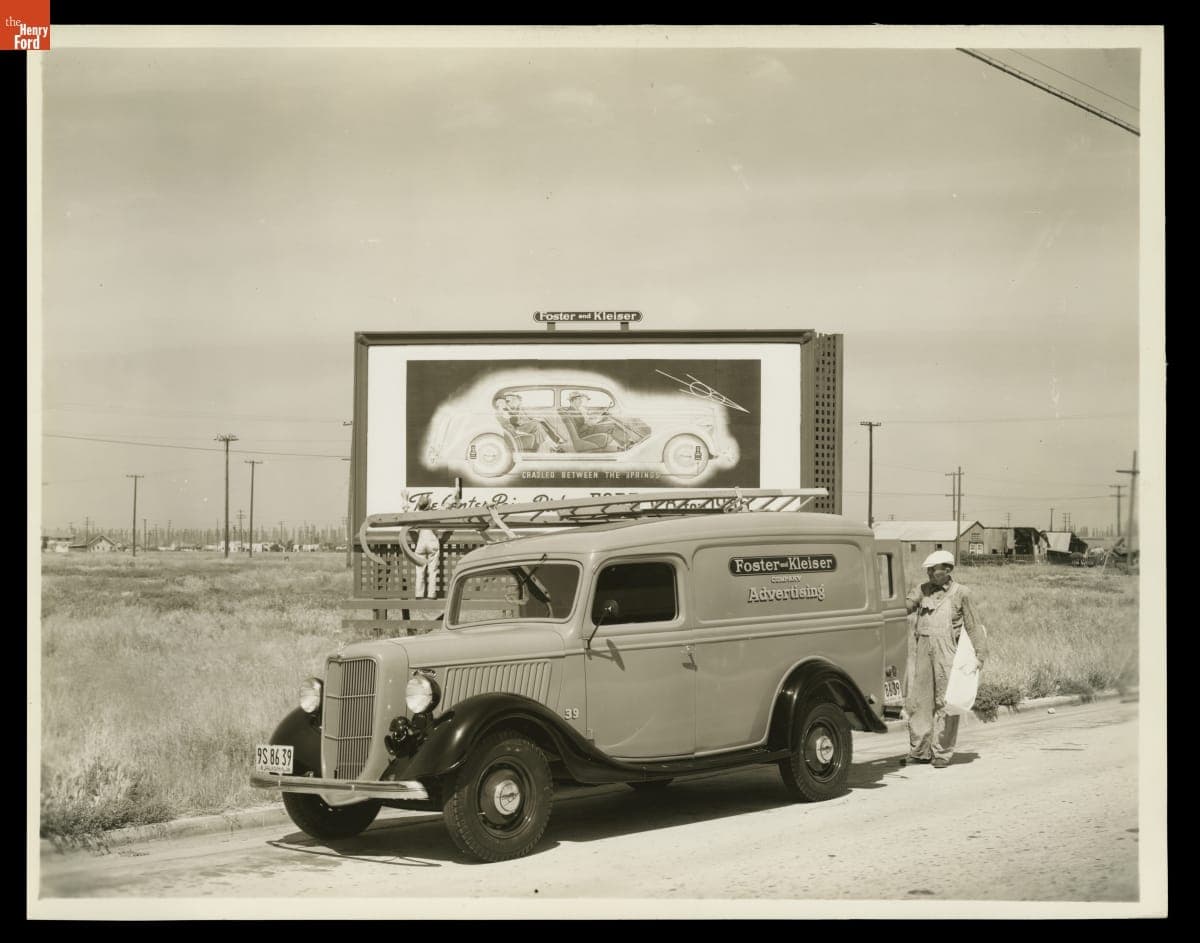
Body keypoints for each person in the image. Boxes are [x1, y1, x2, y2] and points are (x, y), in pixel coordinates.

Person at [902, 549, 988, 768]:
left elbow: (973, 625)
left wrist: (979, 656)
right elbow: (905, 606)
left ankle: (942, 753)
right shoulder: (922, 590)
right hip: (923, 649)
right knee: (920, 701)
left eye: (934, 569)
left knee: (945, 701)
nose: (930, 573)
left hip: (948, 652)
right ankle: (919, 751)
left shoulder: (962, 593)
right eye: (928, 570)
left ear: (948, 570)